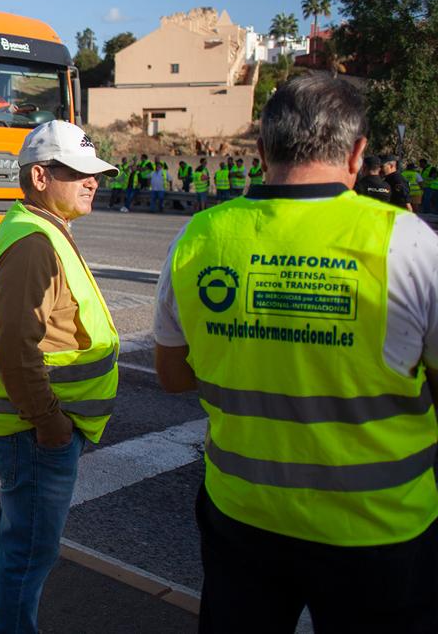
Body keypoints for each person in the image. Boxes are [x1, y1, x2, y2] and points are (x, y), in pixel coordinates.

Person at [153, 75, 438, 633]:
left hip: (242, 517)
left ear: (260, 152)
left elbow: (171, 375)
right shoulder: (409, 243)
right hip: (378, 530)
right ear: (358, 154)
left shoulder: (200, 237)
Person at [0, 120, 120, 634]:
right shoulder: (34, 243)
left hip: (32, 428)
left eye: (96, 173)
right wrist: (50, 424)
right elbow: (14, 346)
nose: (93, 181)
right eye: (79, 171)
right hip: (33, 432)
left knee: (23, 547)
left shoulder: (40, 228)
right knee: (29, 554)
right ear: (40, 176)